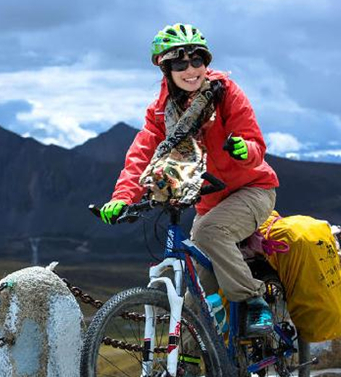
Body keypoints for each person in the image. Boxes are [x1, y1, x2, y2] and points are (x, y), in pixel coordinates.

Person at [99, 23, 279, 337]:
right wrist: (121, 197)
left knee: (209, 232)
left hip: (252, 190)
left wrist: (243, 150)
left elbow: (256, 145)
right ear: (165, 69)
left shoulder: (226, 94)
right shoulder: (160, 113)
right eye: (180, 63)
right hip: (210, 201)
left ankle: (253, 300)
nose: (191, 69)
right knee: (197, 292)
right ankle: (186, 373)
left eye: (198, 60)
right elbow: (141, 154)